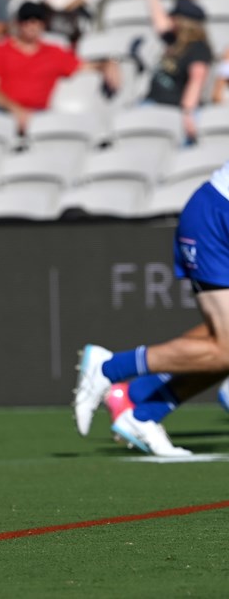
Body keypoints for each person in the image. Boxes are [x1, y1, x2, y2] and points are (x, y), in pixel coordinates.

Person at [74, 159, 229, 456]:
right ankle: (108, 367)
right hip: (218, 216)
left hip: (216, 213)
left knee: (223, 342)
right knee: (225, 348)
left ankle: (142, 413)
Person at [0, 1, 117, 134]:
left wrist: (107, 64)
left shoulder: (54, 52)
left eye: (37, 20)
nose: (32, 25)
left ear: (43, 24)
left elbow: (85, 65)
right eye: (26, 20)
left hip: (38, 114)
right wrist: (15, 110)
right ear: (18, 23)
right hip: (2, 110)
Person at [142, 0, 211, 144]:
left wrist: (187, 114)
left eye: (173, 17)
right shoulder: (174, 40)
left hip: (174, 109)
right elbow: (159, 21)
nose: (169, 19)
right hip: (153, 103)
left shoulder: (198, 48)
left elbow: (197, 79)